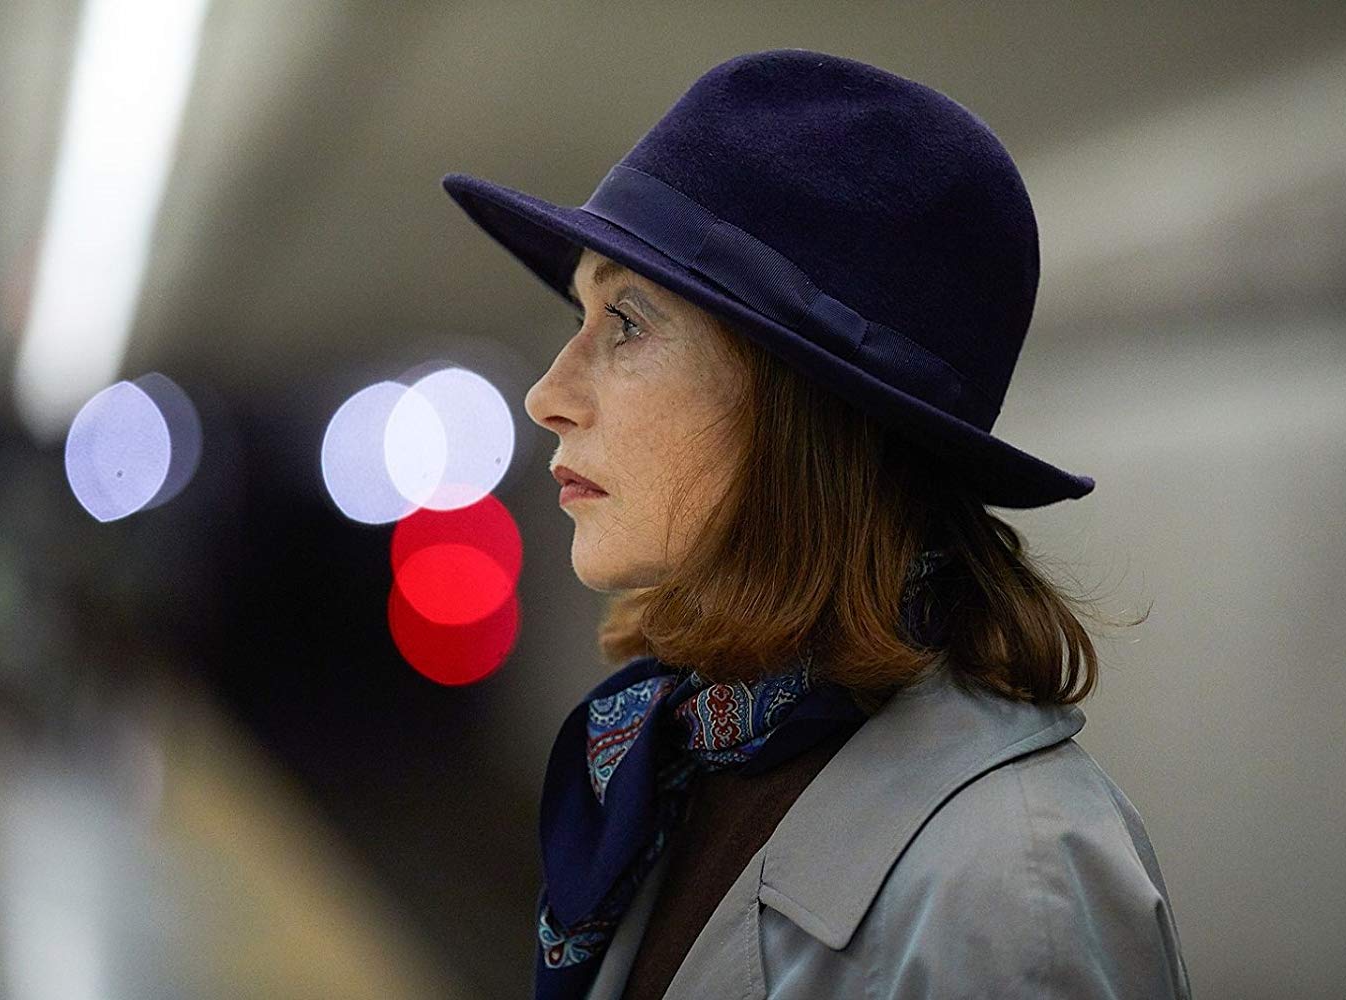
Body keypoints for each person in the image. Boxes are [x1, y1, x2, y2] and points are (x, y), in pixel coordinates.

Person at [441, 48, 1192, 1000]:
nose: (547, 394)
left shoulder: (1011, 884)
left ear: (799, 405)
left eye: (625, 322)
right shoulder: (686, 757)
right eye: (576, 316)